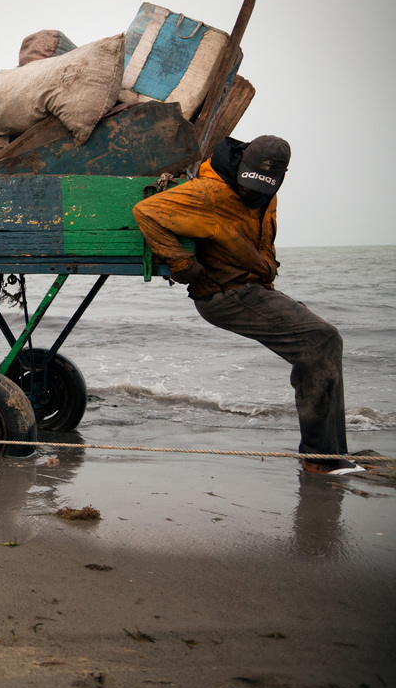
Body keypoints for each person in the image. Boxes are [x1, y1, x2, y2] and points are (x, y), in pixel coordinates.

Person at [133, 135, 367, 474]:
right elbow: (146, 211)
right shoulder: (210, 192)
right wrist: (181, 262)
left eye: (261, 189)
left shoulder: (266, 193)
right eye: (247, 185)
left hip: (251, 288)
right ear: (242, 168)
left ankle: (330, 451)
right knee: (320, 340)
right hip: (223, 294)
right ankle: (320, 458)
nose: (250, 194)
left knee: (323, 344)